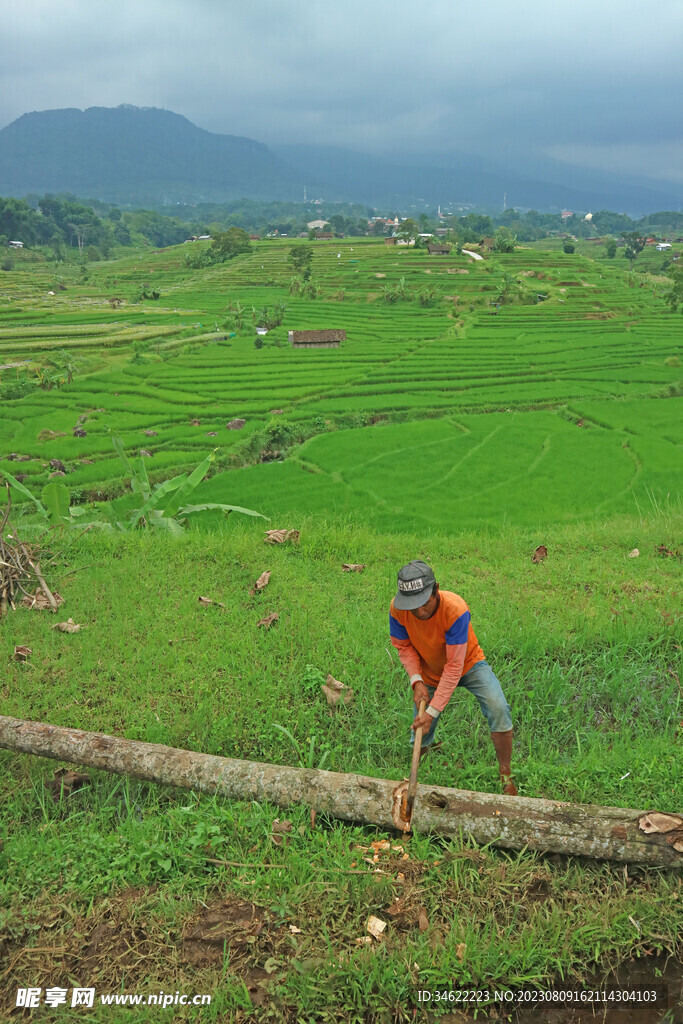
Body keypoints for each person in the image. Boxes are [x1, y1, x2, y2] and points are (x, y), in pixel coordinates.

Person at [389, 560, 517, 795]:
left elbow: (454, 667)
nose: (418, 612)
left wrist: (432, 711)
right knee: (421, 726)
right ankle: (426, 763)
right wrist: (416, 680)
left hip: (468, 664)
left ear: (436, 589)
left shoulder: (455, 610)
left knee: (497, 706)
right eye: (412, 606)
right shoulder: (398, 609)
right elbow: (403, 646)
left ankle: (505, 773)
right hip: (428, 669)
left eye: (423, 603)